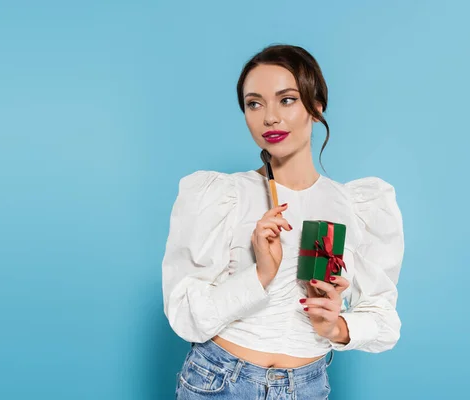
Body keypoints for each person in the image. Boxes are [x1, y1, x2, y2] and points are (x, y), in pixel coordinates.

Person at [161, 44, 404, 399]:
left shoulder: (357, 205)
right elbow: (185, 316)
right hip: (220, 382)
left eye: (286, 99)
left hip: (308, 386)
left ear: (316, 106)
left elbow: (383, 318)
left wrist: (336, 326)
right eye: (254, 103)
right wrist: (260, 274)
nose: (269, 118)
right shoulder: (220, 195)